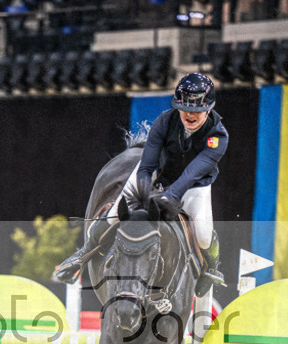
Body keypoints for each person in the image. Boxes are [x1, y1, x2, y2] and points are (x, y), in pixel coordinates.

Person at [55, 72, 227, 296]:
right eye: (185, 108)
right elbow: (146, 166)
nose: (189, 114)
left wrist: (168, 198)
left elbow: (190, 175)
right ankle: (83, 253)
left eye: (196, 110)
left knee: (203, 234)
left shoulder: (217, 136)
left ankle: (211, 267)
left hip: (194, 185)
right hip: (156, 173)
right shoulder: (165, 122)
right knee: (115, 213)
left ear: (208, 109)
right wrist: (144, 198)